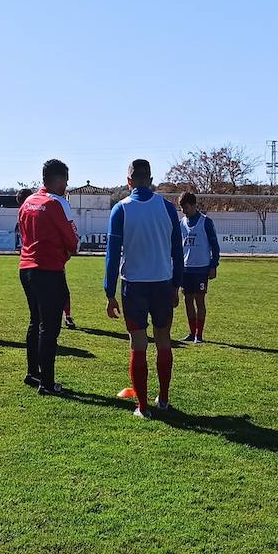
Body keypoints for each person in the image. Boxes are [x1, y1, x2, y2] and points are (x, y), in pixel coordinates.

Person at [104, 159, 184, 418]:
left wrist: (109, 292)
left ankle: (142, 407)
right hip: (162, 283)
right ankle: (163, 399)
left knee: (138, 344)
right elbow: (177, 251)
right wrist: (176, 285)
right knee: (163, 341)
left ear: (129, 181)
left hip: (134, 286)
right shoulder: (168, 209)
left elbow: (112, 255)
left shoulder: (121, 209)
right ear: (151, 179)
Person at [18, 159, 80, 395]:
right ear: (61, 179)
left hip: (26, 268)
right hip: (48, 270)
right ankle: (47, 382)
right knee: (49, 327)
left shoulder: (28, 202)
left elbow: (23, 235)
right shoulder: (57, 203)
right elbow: (73, 241)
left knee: (35, 321)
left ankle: (33, 372)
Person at [177, 192, 220, 344]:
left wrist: (214, 265)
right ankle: (191, 332)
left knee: (199, 300)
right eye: (181, 207)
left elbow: (215, 246)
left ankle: (199, 335)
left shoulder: (206, 222)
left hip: (201, 268)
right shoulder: (180, 223)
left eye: (186, 207)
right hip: (186, 269)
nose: (183, 210)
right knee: (187, 300)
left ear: (194, 205)